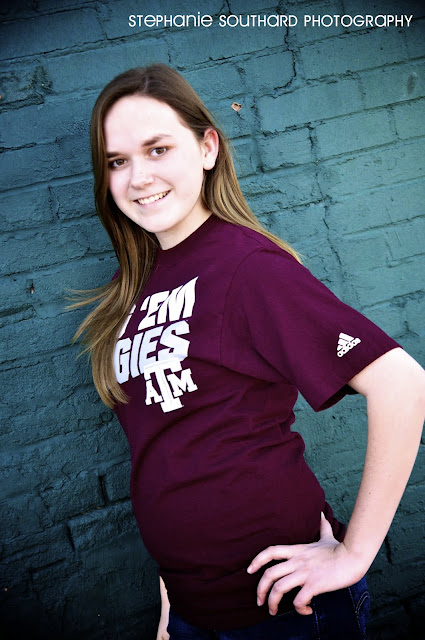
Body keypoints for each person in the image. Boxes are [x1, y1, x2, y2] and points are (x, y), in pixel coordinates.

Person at [73, 64, 425, 640]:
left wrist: (355, 554)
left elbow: (402, 384)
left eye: (158, 149)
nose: (138, 177)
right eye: (117, 161)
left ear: (207, 148)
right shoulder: (132, 287)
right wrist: (169, 607)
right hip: (192, 608)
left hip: (283, 611)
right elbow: (166, 446)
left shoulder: (248, 266)